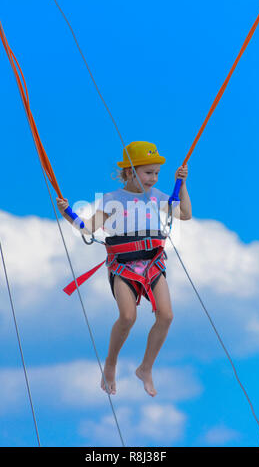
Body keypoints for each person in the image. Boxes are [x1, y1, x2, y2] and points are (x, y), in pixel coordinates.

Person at [57, 141, 192, 397]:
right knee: (128, 316)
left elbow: (185, 213)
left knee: (166, 316)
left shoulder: (159, 197)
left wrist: (182, 184)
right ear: (130, 172)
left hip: (153, 264)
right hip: (123, 266)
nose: (153, 178)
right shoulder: (112, 200)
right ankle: (111, 362)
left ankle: (146, 368)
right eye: (148, 172)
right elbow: (87, 228)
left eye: (156, 173)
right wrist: (67, 213)